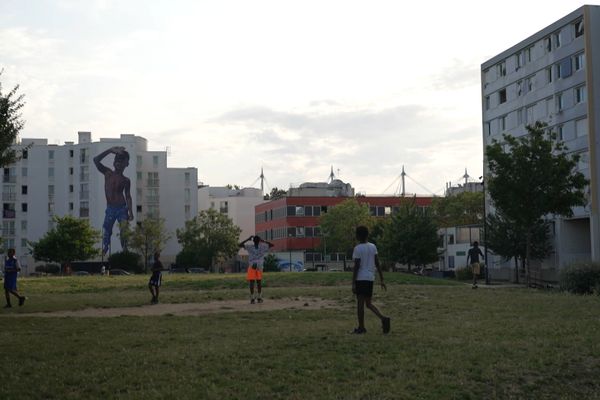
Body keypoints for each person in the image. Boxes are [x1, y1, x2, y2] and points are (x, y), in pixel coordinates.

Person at [93, 146, 133, 255]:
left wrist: (130, 211)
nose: (118, 163)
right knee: (107, 229)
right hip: (110, 208)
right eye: (116, 160)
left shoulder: (126, 180)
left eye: (121, 161)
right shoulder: (108, 173)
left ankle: (125, 249)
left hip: (122, 208)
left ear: (127, 164)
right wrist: (110, 150)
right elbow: (96, 160)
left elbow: (128, 196)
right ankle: (105, 246)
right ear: (114, 162)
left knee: (124, 230)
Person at [351, 226, 390, 334]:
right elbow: (377, 263)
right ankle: (383, 318)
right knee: (368, 304)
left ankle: (361, 328)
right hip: (370, 278)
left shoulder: (357, 249)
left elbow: (357, 266)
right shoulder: (373, 247)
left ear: (358, 236)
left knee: (360, 304)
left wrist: (353, 282)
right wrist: (382, 279)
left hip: (361, 278)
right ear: (367, 235)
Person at [239, 235, 274, 304]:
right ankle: (259, 297)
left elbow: (240, 245)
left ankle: (252, 298)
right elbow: (272, 245)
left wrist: (248, 239)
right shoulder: (263, 246)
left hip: (252, 265)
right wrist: (263, 240)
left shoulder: (250, 247)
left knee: (251, 282)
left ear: (253, 241)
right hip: (260, 266)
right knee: (259, 282)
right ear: (259, 241)